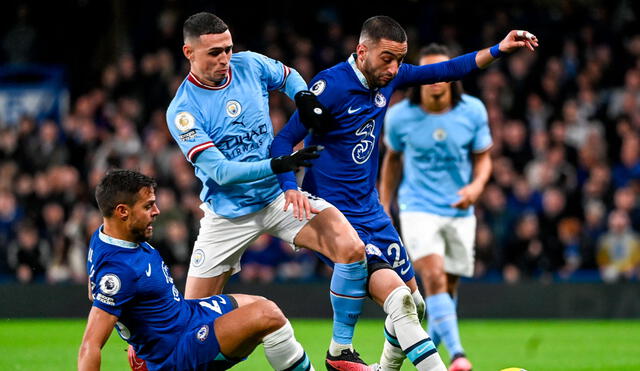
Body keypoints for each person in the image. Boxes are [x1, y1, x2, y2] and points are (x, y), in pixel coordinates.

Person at [270, 16, 537, 371]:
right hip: (336, 218)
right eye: (387, 59)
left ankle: (384, 369)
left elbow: (449, 69)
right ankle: (362, 356)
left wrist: (498, 49)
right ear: (362, 51)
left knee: (417, 304)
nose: (395, 69)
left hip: (372, 211)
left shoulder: (389, 79)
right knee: (398, 300)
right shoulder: (330, 86)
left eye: (400, 59)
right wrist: (291, 189)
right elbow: (282, 141)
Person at [165, 12, 372, 369]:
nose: (225, 59)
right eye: (214, 52)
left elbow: (288, 76)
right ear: (189, 52)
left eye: (228, 49)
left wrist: (304, 96)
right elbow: (221, 171)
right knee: (185, 328)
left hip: (278, 198)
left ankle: (340, 351)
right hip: (228, 216)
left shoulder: (250, 65)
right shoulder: (184, 110)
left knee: (352, 249)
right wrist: (280, 164)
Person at [78, 169, 315, 371]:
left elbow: (95, 291)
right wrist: (140, 337)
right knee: (268, 314)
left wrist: (136, 330)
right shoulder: (118, 270)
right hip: (175, 351)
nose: (157, 211)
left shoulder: (105, 236)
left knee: (258, 303)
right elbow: (91, 344)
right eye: (148, 206)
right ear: (122, 211)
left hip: (184, 315)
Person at [379, 44, 495, 371]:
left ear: (453, 75)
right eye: (428, 73)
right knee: (432, 277)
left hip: (459, 210)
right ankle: (458, 355)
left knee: (448, 287)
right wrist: (385, 202)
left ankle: (427, 349)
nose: (435, 80)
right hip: (417, 206)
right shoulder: (400, 116)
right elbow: (393, 160)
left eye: (442, 72)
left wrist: (476, 187)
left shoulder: (473, 111)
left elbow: (484, 157)